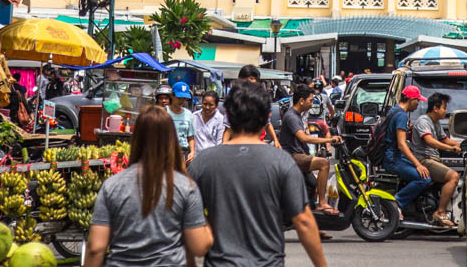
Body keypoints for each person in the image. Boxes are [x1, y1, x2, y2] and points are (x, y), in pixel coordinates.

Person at [190, 82, 328, 267]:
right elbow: (304, 221)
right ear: (266, 118)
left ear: (229, 116)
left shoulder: (203, 163)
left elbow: (187, 220)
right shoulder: (282, 162)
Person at [84, 106, 212, 267]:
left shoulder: (112, 186)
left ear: (136, 139)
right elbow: (199, 246)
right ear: (172, 140)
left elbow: (95, 247)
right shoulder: (185, 187)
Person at [280, 84, 341, 215]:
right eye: (310, 100)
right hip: (292, 157)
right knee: (324, 163)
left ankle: (315, 222)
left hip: (298, 155)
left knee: (312, 183)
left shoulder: (297, 115)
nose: (312, 103)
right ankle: (323, 203)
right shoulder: (291, 116)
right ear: (301, 101)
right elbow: (304, 138)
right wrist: (329, 140)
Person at [411, 92, 463, 228]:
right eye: (444, 108)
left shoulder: (436, 122)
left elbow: (444, 138)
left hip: (434, 159)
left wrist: (462, 144)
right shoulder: (423, 121)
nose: (446, 111)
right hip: (425, 160)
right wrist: (451, 149)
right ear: (435, 108)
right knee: (453, 177)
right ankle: (440, 212)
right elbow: (430, 141)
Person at [384, 85, 431, 214]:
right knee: (424, 179)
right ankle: (396, 202)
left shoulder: (394, 110)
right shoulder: (402, 116)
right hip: (393, 159)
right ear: (410, 99)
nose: (418, 104)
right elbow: (401, 144)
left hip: (392, 156)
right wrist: (418, 165)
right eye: (417, 100)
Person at [234, 65, 281, 147]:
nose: (248, 81)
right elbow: (227, 128)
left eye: (251, 78)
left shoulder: (261, 100)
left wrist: (276, 140)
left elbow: (267, 122)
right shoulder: (234, 101)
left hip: (258, 143)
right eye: (245, 78)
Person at [169, 82, 197, 163]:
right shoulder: (163, 112)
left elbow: (190, 137)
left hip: (183, 152)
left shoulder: (188, 114)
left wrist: (192, 152)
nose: (181, 101)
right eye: (179, 97)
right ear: (172, 95)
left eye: (184, 98)